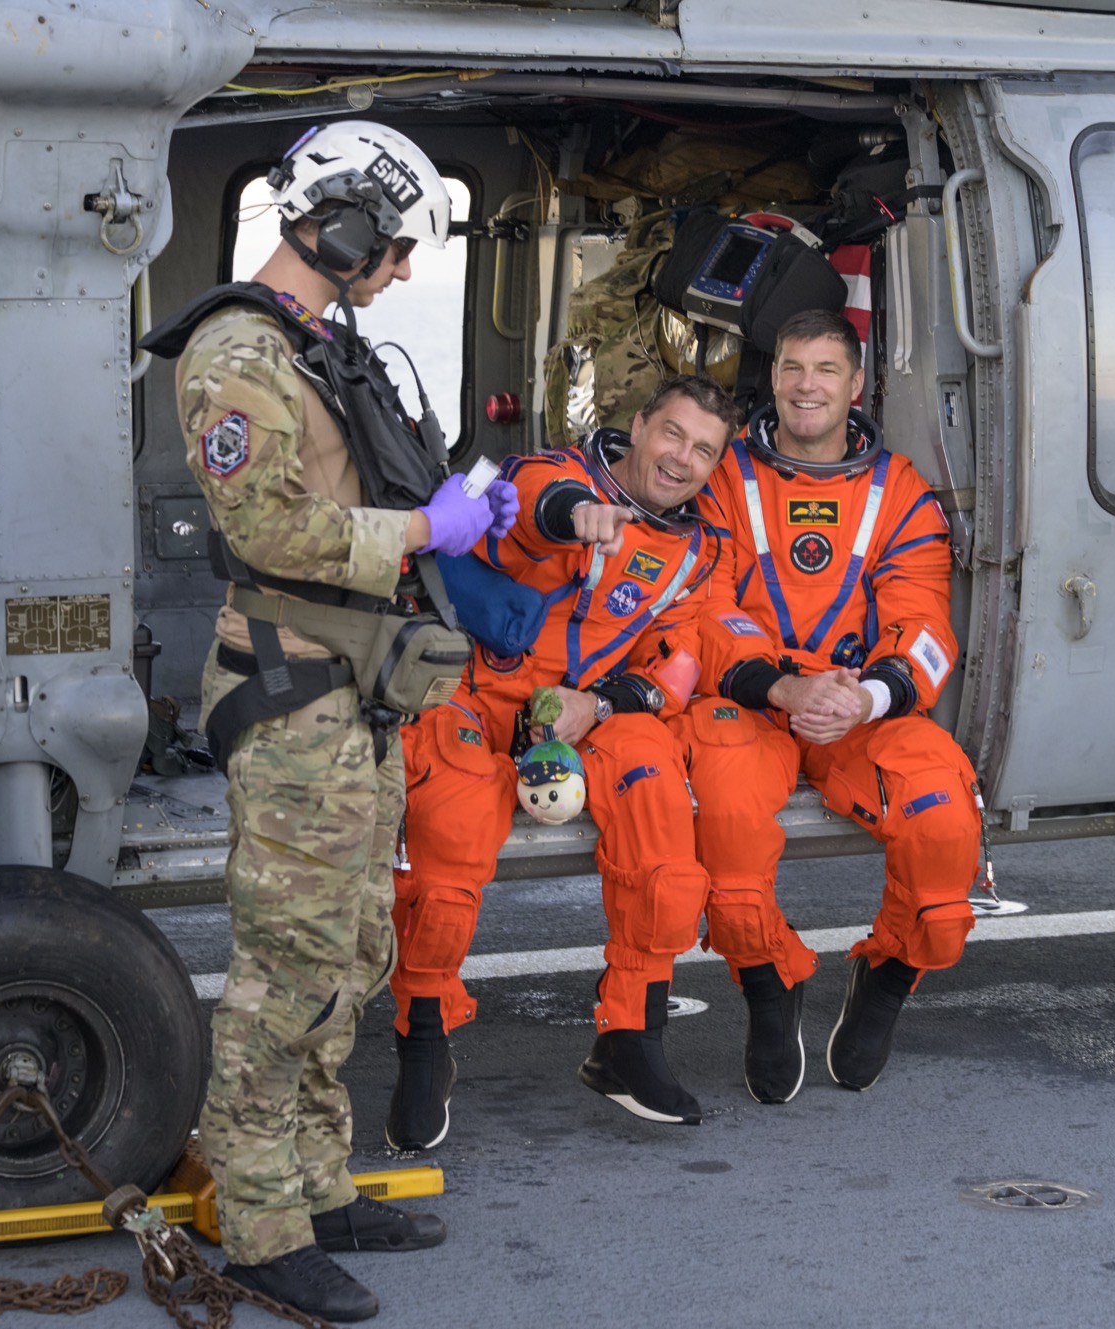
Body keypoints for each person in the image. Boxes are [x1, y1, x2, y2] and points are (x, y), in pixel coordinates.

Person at [138, 121, 515, 1323]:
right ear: (338, 224)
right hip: (295, 698)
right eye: (393, 247)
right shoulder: (237, 356)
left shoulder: (308, 347)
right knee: (283, 973)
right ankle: (256, 1224)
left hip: (353, 698)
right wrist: (424, 533)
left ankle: (311, 1181)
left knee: (347, 956)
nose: (400, 272)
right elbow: (272, 536)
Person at [387, 375, 739, 1149]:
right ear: (640, 424)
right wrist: (575, 518)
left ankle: (629, 1038)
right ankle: (423, 1037)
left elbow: (677, 663)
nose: (681, 458)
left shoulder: (701, 550)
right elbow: (532, 509)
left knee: (657, 798)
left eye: (704, 450)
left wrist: (603, 706)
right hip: (479, 692)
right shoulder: (557, 476)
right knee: (450, 823)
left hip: (586, 711)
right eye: (673, 434)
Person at [675, 309, 981, 1104]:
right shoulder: (722, 483)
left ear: (856, 382)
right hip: (752, 704)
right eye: (791, 368)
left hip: (858, 711)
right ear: (772, 378)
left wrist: (867, 696)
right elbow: (704, 607)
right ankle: (770, 984)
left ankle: (889, 972)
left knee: (945, 825)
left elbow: (926, 626)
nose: (807, 386)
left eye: (826, 369)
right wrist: (780, 685)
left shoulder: (900, 495)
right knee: (730, 835)